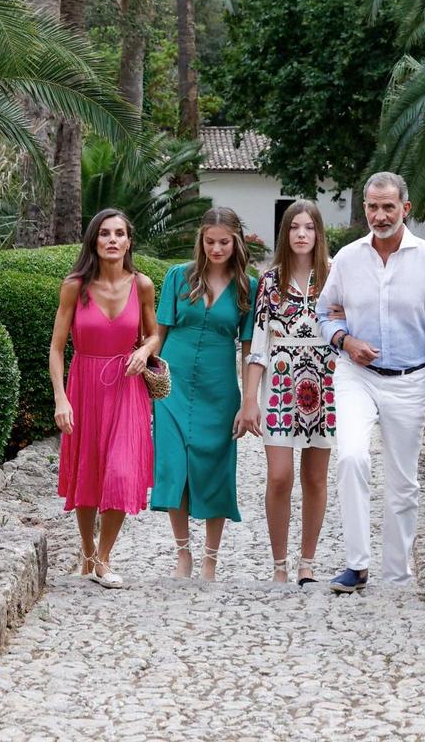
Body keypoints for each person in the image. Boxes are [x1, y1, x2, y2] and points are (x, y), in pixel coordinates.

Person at [316, 172, 425, 592]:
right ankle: (356, 566)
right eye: (373, 207)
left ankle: (397, 574)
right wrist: (346, 340)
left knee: (403, 481)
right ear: (364, 209)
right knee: (352, 458)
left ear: (405, 209)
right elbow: (325, 314)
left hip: (409, 380)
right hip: (355, 375)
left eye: (388, 207)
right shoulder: (346, 259)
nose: (380, 215)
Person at [49, 208, 158, 589]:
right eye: (105, 234)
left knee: (122, 471)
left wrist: (144, 352)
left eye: (120, 234)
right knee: (88, 472)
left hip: (127, 388)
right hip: (85, 386)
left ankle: (104, 557)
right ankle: (87, 549)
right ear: (94, 240)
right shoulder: (74, 286)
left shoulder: (142, 284)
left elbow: (153, 332)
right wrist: (61, 398)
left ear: (129, 241)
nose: (112, 240)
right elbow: (57, 348)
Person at [152, 207, 257, 580]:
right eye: (209, 242)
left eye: (223, 242)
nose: (216, 248)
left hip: (219, 389)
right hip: (173, 386)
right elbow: (158, 334)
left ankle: (211, 559)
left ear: (236, 242)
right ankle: (183, 554)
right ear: (201, 241)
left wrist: (249, 401)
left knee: (215, 469)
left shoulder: (249, 286)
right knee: (174, 466)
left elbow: (249, 349)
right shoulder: (178, 277)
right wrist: (150, 376)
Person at [238, 200, 334, 585]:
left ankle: (306, 562)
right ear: (285, 233)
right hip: (280, 379)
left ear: (318, 233)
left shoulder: (334, 276)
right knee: (279, 476)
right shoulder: (271, 281)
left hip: (325, 380)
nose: (301, 234)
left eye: (309, 227)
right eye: (294, 227)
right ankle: (279, 563)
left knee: (315, 478)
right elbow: (258, 344)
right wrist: (249, 399)